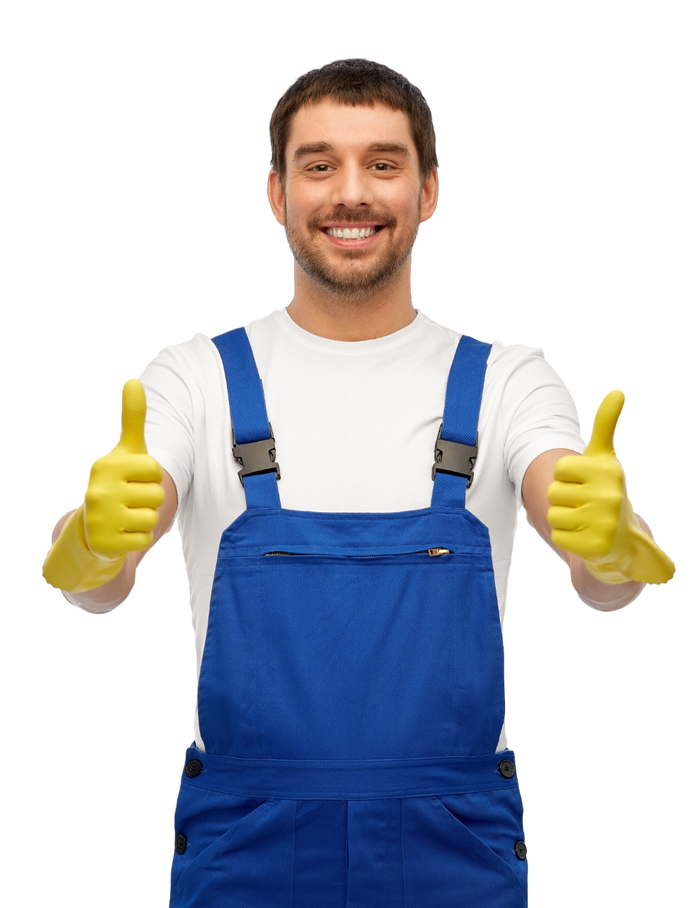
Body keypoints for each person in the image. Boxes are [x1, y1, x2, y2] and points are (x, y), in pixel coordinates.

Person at [41, 59, 675, 907]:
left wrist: (612, 542)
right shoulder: (195, 376)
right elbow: (112, 557)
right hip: (246, 839)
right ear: (275, 193)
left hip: (455, 840)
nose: (352, 194)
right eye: (319, 165)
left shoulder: (508, 380)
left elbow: (588, 555)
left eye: (383, 164)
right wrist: (84, 542)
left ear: (430, 191)